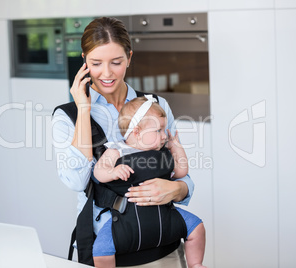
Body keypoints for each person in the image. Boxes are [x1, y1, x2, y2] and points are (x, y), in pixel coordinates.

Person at [52, 17, 203, 266]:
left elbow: (177, 171)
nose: (107, 73)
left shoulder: (156, 105)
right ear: (84, 61)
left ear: (129, 58)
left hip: (162, 244)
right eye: (96, 63)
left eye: (116, 62)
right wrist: (82, 108)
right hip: (107, 248)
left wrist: (179, 190)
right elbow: (78, 181)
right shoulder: (67, 116)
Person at [92, 96, 206, 268]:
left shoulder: (163, 153)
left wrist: (176, 147)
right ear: (137, 132)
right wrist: (113, 171)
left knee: (197, 227)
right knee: (101, 250)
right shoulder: (117, 150)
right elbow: (98, 173)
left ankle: (195, 264)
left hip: (164, 213)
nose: (163, 136)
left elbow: (182, 172)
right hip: (125, 218)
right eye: (159, 130)